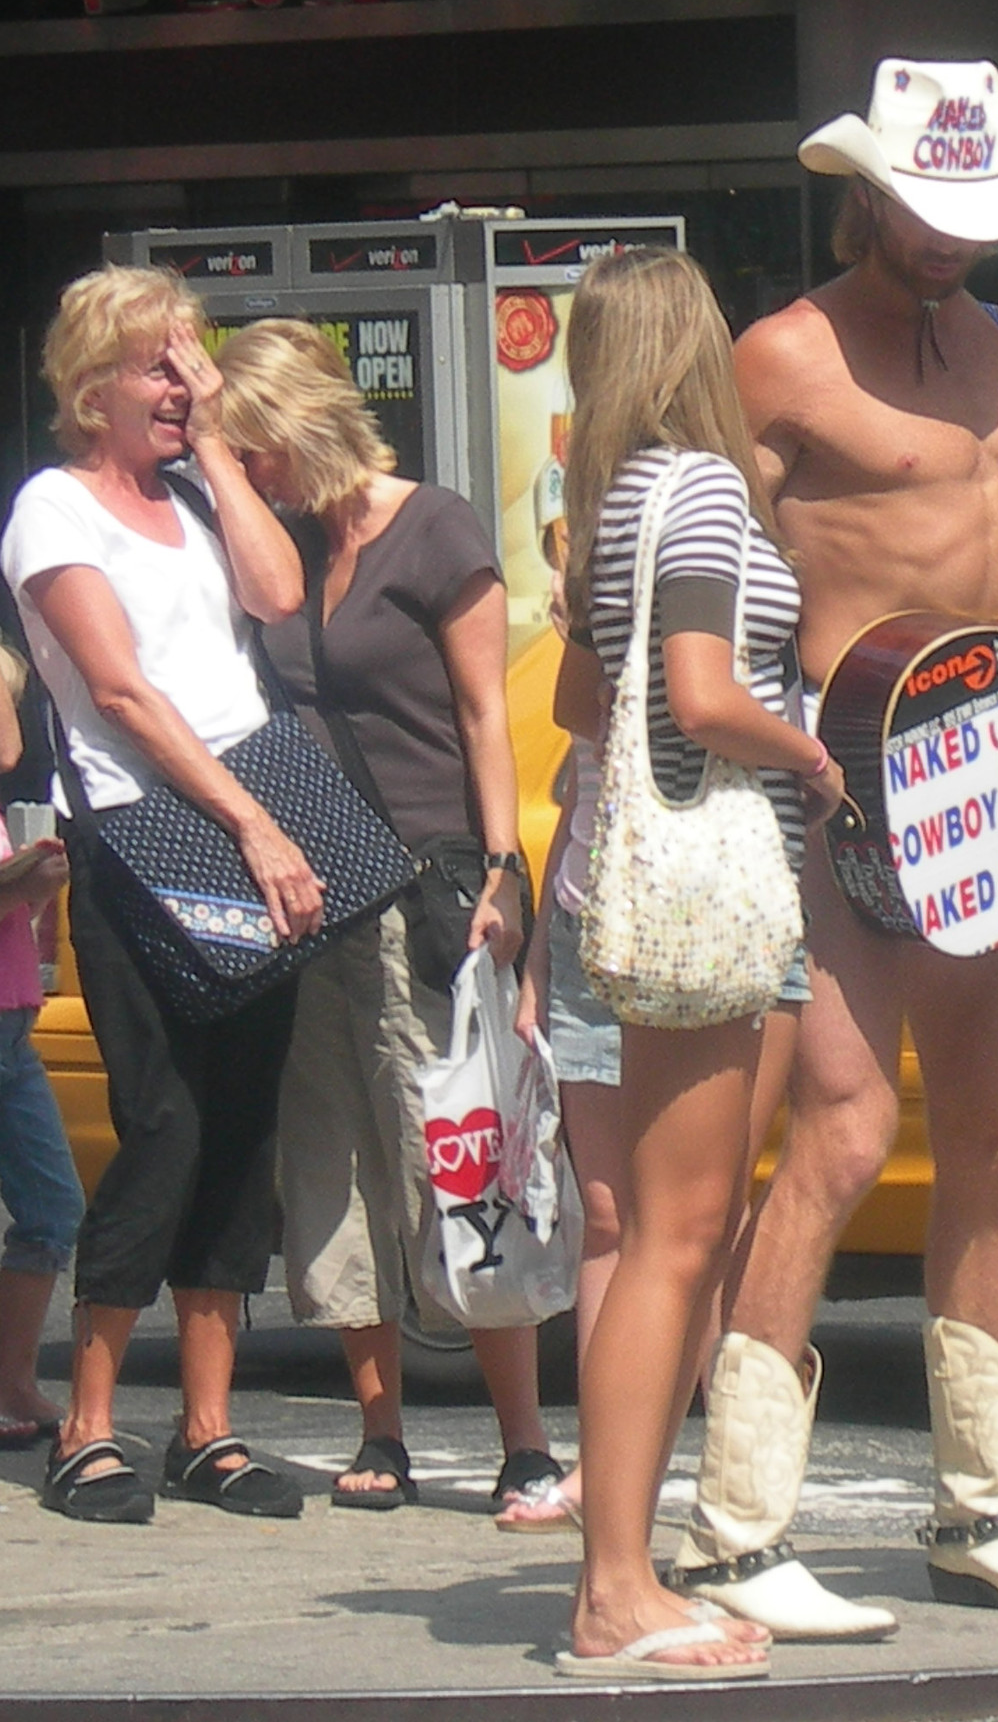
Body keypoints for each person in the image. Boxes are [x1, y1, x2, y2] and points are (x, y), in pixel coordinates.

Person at [666, 57, 998, 1632]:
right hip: (847, 779)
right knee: (843, 1140)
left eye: (974, 214)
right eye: (927, 211)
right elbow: (692, 546)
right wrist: (752, 731)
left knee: (997, 1138)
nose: (951, 239)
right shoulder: (781, 355)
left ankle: (981, 1506)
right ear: (866, 193)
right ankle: (733, 1527)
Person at [549, 245, 841, 1680]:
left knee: (677, 1231)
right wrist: (811, 752)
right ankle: (613, 1589)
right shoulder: (707, 489)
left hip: (650, 876)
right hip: (716, 875)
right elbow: (701, 698)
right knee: (674, 1239)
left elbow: (576, 700)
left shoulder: (607, 506)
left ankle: (633, 1569)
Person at [215, 317, 556, 1514]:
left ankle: (525, 1441)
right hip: (311, 893)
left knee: (450, 1153)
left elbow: (482, 716)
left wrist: (505, 872)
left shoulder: (436, 524)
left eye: (251, 448)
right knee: (336, 1162)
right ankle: (383, 1428)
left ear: (299, 427)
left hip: (424, 878)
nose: (246, 474)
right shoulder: (283, 547)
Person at [1, 263, 319, 1524]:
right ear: (91, 388)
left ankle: (208, 1424)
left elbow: (279, 594)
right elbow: (122, 690)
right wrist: (247, 820)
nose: (183, 384)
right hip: (149, 832)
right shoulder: (52, 508)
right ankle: (87, 1418)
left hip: (255, 825)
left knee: (243, 1129)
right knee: (166, 1122)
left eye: (192, 358)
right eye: (157, 364)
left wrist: (222, 451)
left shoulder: (195, 490)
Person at [0, 642, 82, 1446]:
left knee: (53, 1207)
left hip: (13, 1026)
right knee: (50, 1206)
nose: (17, 719)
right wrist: (21, 888)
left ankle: (13, 1380)